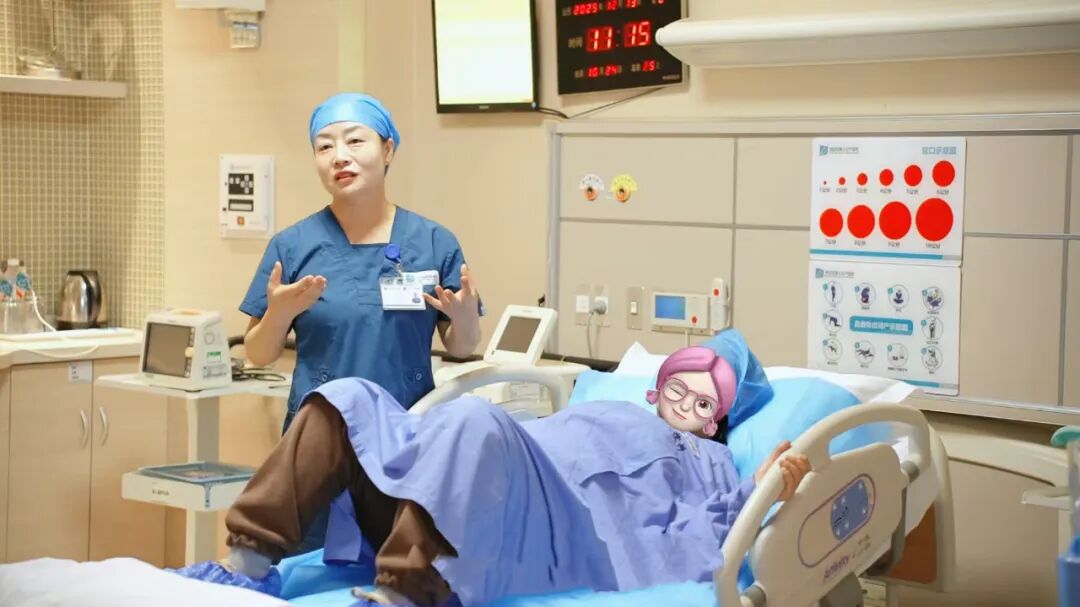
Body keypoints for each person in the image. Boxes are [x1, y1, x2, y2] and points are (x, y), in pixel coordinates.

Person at [172, 331, 810, 607]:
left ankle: (407, 592)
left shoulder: (712, 462)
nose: (688, 403)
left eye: (707, 402)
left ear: (720, 418)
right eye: (681, 385)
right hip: (474, 485)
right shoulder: (609, 406)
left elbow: (707, 539)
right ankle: (247, 565)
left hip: (543, 528)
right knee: (349, 397)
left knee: (474, 421)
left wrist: (760, 491)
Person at [240, 92, 482, 551]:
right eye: (324, 146)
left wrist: (465, 316)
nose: (339, 156)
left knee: (399, 564)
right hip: (319, 443)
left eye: (355, 141)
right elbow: (258, 353)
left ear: (388, 150)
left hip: (406, 435)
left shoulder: (433, 242)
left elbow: (462, 345)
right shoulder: (292, 246)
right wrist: (279, 314)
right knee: (309, 565)